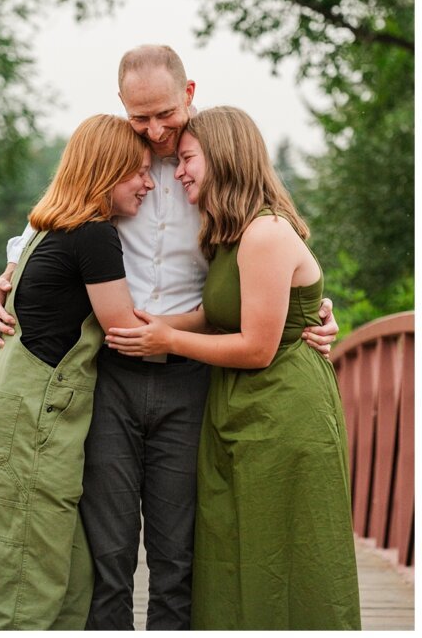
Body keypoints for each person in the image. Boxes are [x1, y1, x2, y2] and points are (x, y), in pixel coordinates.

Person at [0, 45, 339, 629]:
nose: (154, 131)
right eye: (139, 117)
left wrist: (316, 309)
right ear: (122, 107)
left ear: (189, 93)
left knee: (179, 557)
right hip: (109, 376)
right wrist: (0, 292)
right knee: (109, 552)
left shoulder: (214, 160)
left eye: (165, 115)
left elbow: (279, 244)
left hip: (193, 376)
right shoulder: (111, 164)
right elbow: (36, 245)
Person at [104, 107, 360, 629]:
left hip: (283, 414)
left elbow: (257, 348)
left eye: (189, 160)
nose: (177, 172)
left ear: (223, 158)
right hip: (241, 411)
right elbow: (216, 312)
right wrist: (149, 324)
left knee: (287, 559)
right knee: (237, 554)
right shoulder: (232, 232)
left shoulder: (265, 233)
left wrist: (167, 338)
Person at [0, 114, 154, 630]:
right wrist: (253, 320)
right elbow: (126, 331)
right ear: (107, 170)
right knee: (24, 601)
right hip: (28, 435)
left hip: (26, 427)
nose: (149, 181)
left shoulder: (52, 229)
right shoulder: (93, 235)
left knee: (70, 592)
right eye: (139, 171)